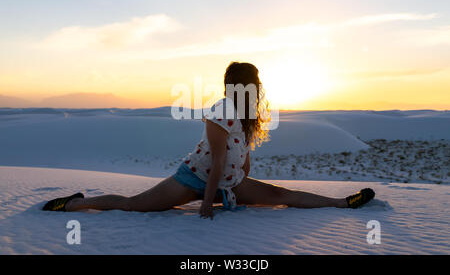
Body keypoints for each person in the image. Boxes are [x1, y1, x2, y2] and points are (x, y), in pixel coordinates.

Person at [43, 61, 375, 219]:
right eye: (252, 82)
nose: (256, 87)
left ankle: (343, 203)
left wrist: (243, 173)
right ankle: (72, 204)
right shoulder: (221, 111)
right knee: (135, 205)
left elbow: (241, 152)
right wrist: (204, 202)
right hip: (195, 178)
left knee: (280, 194)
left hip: (229, 181)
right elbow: (216, 159)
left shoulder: (247, 113)